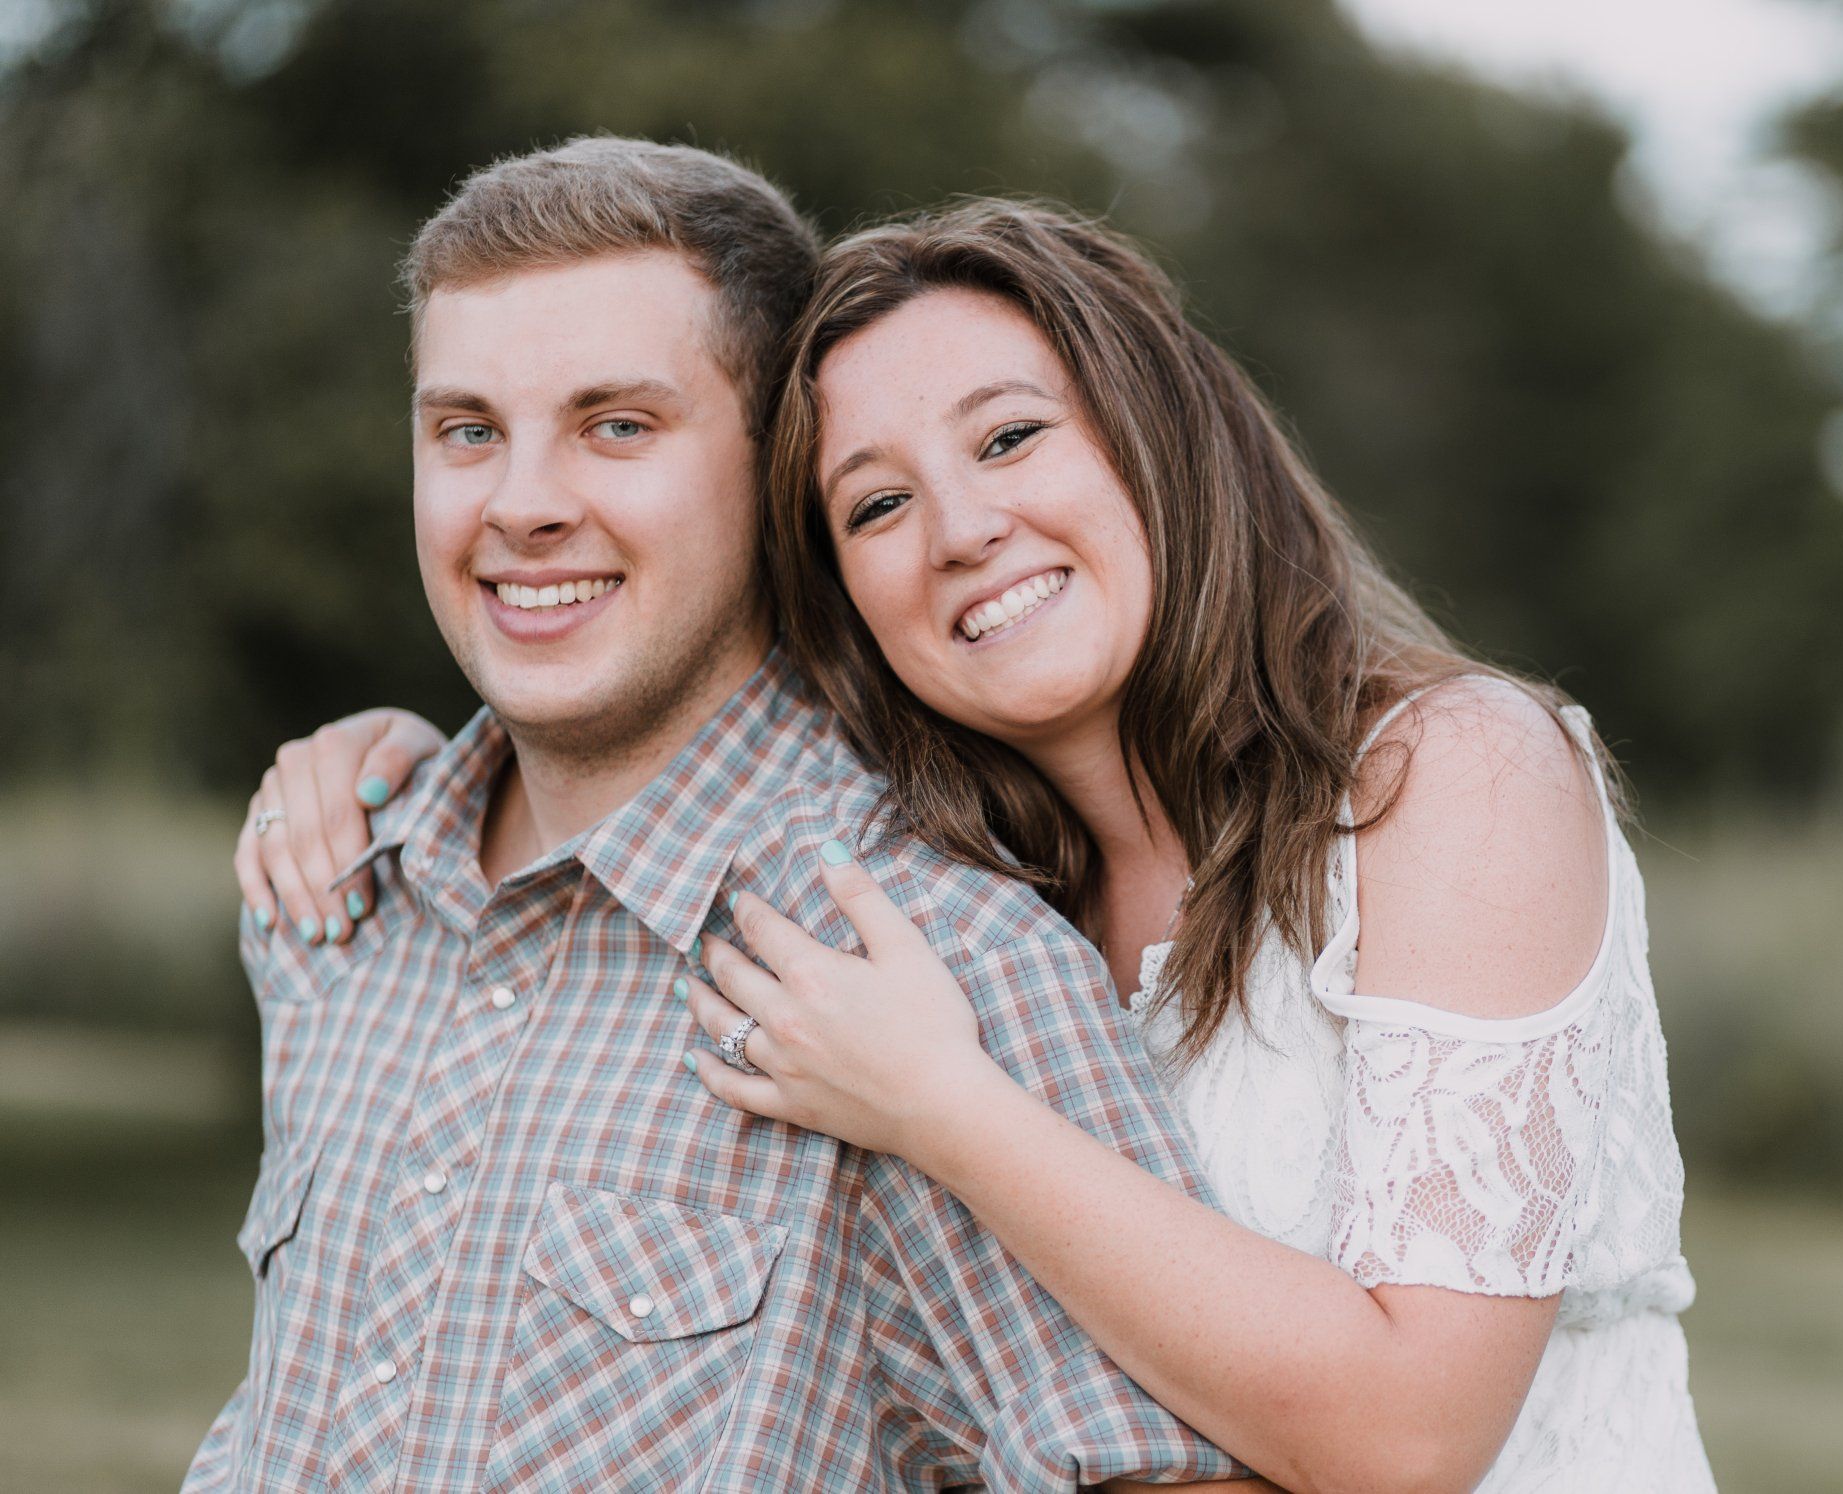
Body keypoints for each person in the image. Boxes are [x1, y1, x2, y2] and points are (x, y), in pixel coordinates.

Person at [240, 200, 1716, 1491]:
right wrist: (391, 756)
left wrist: (943, 1104)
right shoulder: (986, 886)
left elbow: (1410, 1439)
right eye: (876, 503)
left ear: (1160, 428)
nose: (958, 529)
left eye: (1010, 436)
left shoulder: (1443, 772)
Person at [198, 138, 1268, 1492]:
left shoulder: (926, 954)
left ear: (777, 479)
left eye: (617, 426)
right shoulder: (335, 889)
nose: (521, 505)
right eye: (467, 429)